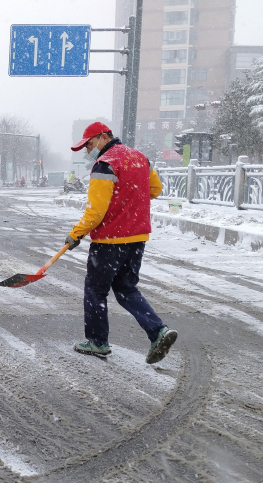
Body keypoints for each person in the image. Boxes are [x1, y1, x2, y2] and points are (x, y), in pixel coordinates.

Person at [65, 122, 178, 364]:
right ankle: (158, 331)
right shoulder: (139, 158)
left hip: (109, 241)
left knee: (95, 291)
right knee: (126, 290)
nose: (88, 151)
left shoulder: (106, 164)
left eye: (89, 144)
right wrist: (128, 199)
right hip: (136, 239)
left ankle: (97, 342)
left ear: (103, 137)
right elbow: (156, 189)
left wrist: (76, 234)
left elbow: (95, 212)